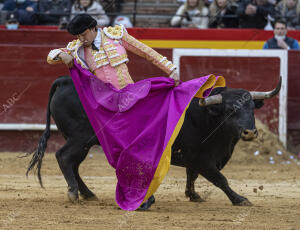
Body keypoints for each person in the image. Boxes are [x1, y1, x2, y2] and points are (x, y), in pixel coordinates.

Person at [46, 14, 225, 211]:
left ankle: (144, 193)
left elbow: (146, 52)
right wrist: (59, 55)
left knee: (139, 147)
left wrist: (170, 68)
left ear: (93, 28)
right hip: (108, 108)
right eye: (77, 36)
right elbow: (51, 56)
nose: (81, 39)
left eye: (83, 34)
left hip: (131, 100)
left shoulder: (116, 35)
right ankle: (140, 194)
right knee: (123, 152)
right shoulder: (77, 48)